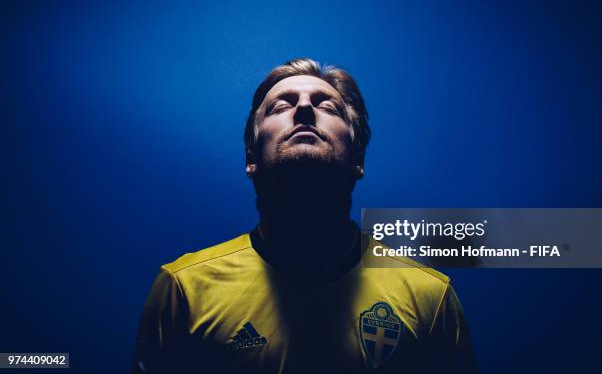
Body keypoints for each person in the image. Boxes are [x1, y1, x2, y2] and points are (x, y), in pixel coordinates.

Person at [132, 58, 476, 373]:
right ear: (251, 158)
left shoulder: (430, 296)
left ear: (358, 159)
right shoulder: (184, 291)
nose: (305, 109)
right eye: (282, 105)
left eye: (327, 106)